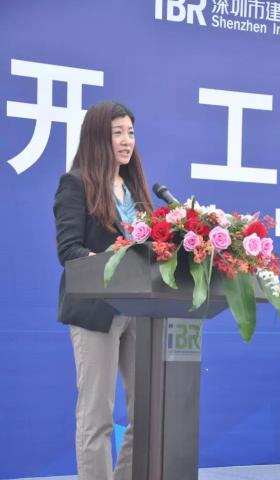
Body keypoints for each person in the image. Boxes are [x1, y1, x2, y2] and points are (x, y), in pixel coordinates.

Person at [53, 101, 153, 480]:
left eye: (130, 132)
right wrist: (105, 256)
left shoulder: (135, 189)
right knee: (98, 416)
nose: (127, 141)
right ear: (98, 137)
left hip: (141, 309)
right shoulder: (75, 183)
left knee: (147, 411)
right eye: (118, 133)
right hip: (96, 310)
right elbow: (69, 250)